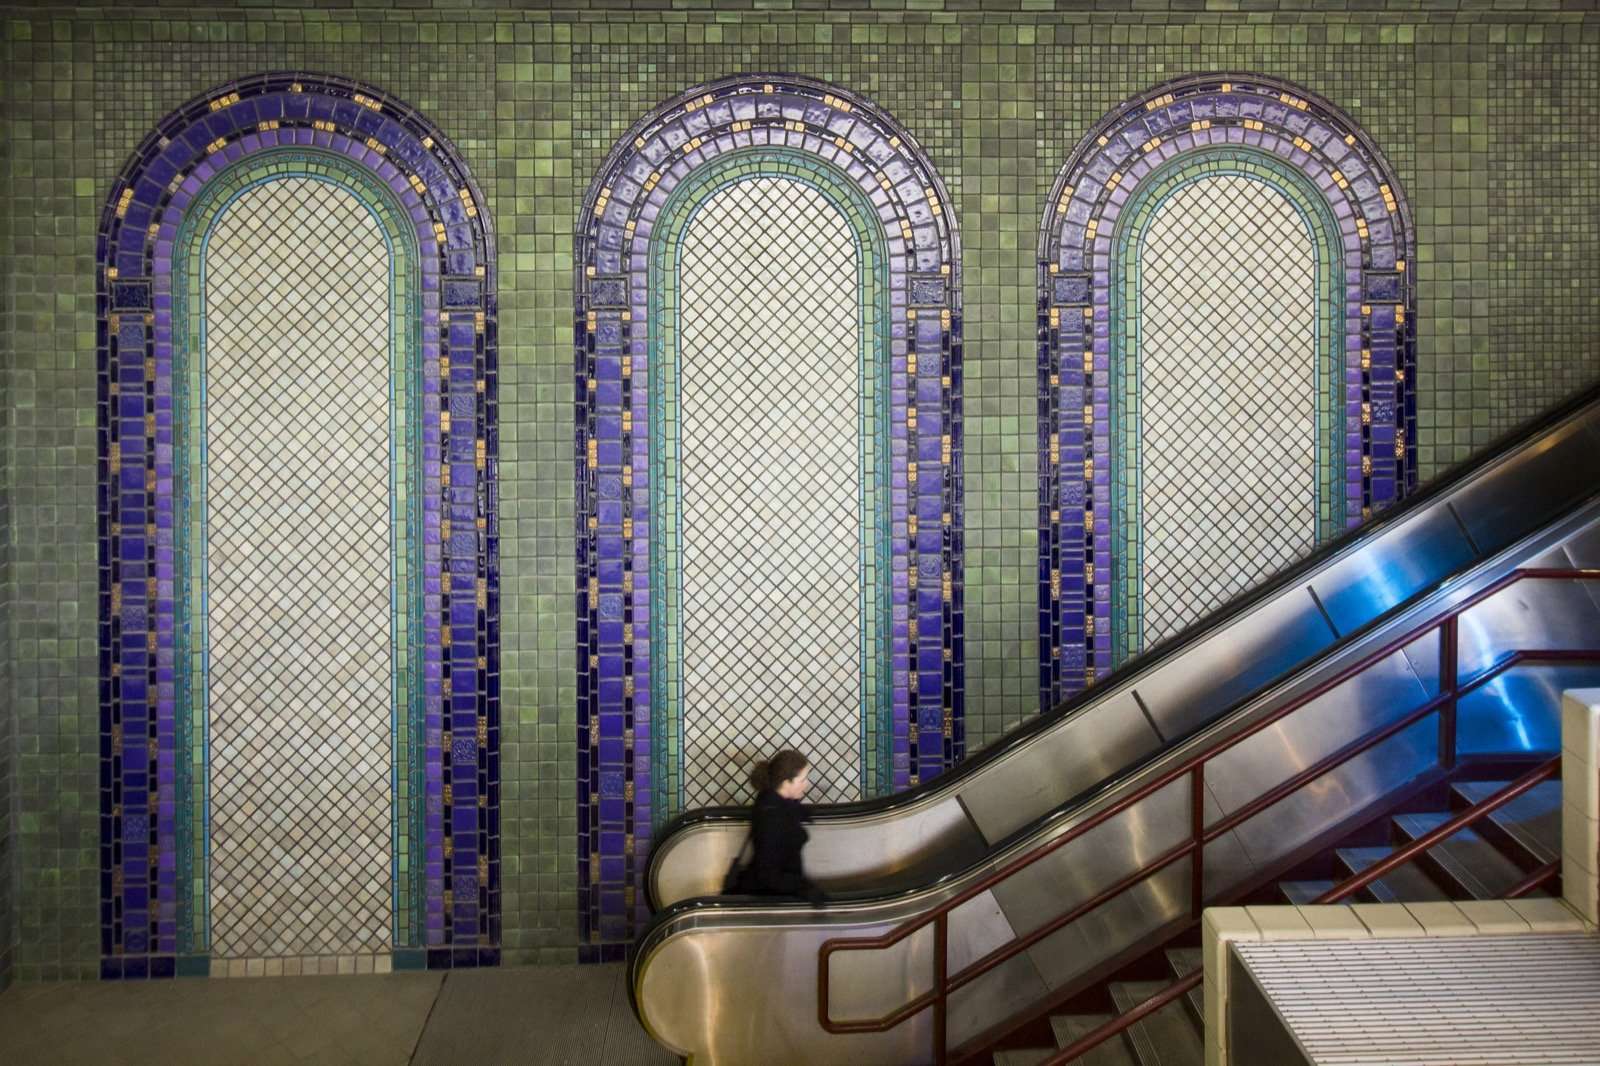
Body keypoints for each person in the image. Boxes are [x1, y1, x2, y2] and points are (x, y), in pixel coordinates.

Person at [737, 749, 825, 905]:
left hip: (780, 894)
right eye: (802, 780)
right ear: (786, 783)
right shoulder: (772, 817)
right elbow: (768, 875)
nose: (807, 784)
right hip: (773, 901)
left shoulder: (771, 800)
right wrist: (804, 888)